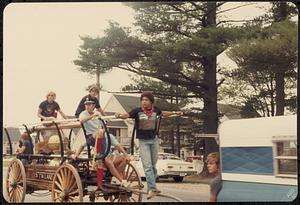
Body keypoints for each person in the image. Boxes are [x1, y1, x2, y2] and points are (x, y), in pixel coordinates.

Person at [115, 91, 183, 199]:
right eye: (142, 100)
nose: (143, 102)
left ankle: (152, 187)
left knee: (153, 165)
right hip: (143, 142)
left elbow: (163, 114)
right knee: (147, 166)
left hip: (154, 140)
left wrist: (175, 112)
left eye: (146, 100)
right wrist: (119, 115)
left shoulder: (156, 110)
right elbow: (126, 115)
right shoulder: (137, 111)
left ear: (151, 101)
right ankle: (152, 188)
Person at [72, 98, 130, 187]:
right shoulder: (83, 114)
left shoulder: (108, 135)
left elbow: (118, 145)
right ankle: (121, 180)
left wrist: (126, 154)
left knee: (124, 158)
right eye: (86, 104)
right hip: (91, 136)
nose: (87, 106)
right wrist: (76, 155)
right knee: (99, 134)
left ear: (94, 106)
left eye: (90, 104)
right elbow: (82, 121)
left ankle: (114, 174)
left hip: (106, 151)